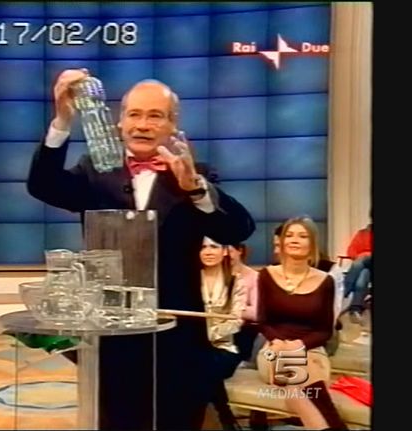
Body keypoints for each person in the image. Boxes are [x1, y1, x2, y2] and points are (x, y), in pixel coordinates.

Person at [27, 69, 255, 430]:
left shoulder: (194, 174)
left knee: (177, 422)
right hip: (113, 335)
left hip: (177, 335)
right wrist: (63, 119)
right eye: (134, 114)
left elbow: (238, 229)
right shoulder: (95, 171)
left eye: (155, 116)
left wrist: (195, 189)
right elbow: (42, 185)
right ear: (120, 122)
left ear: (173, 125)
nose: (143, 125)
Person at [256, 216, 347, 430]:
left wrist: (299, 345)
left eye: (302, 236)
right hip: (274, 349)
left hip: (311, 351)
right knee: (296, 369)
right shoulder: (267, 275)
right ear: (282, 242)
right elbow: (262, 321)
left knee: (295, 383)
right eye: (289, 235)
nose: (294, 240)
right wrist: (280, 343)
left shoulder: (325, 281)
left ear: (312, 243)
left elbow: (325, 330)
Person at [198, 237, 247, 431]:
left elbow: (236, 321)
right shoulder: (190, 280)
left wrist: (208, 335)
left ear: (225, 251)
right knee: (199, 365)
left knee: (204, 367)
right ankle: (227, 420)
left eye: (214, 247)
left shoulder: (236, 281)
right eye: (203, 247)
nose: (208, 252)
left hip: (224, 347)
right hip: (195, 349)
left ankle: (221, 419)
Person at [343, 221, 372, 323]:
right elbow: (351, 250)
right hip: (365, 266)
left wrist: (366, 254)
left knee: (361, 261)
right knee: (363, 276)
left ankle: (344, 290)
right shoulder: (362, 233)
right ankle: (355, 309)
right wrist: (358, 256)